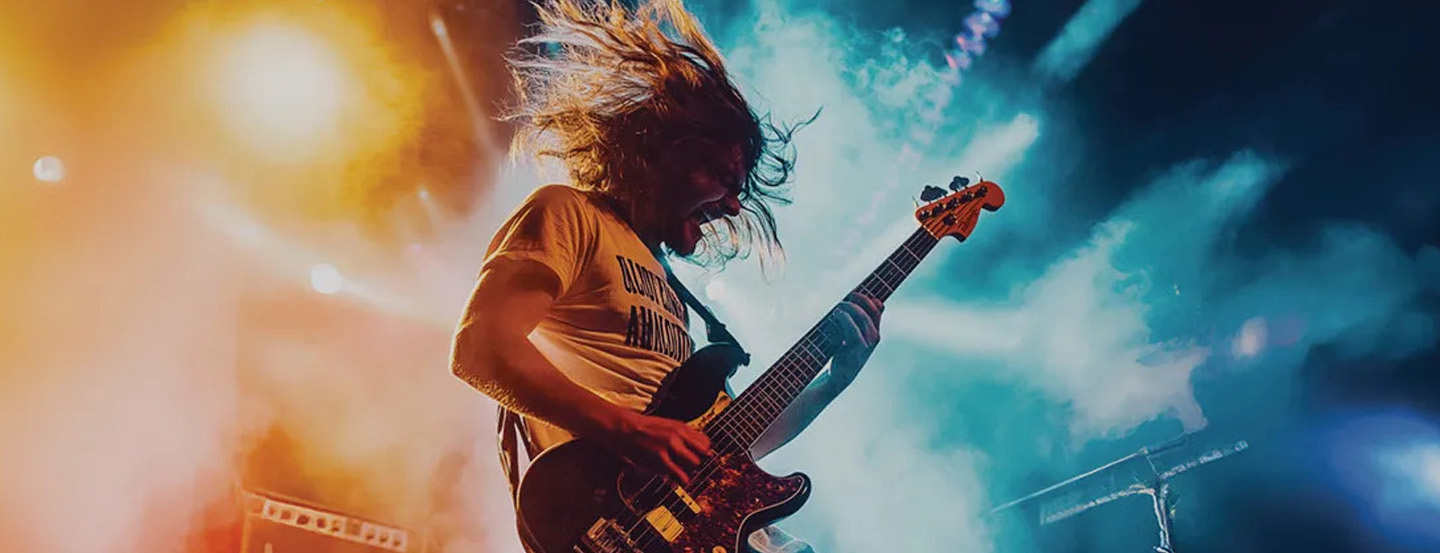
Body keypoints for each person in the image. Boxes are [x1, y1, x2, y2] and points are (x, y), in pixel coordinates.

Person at [448, 1, 883, 551]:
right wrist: (629, 432)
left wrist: (833, 380)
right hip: (609, 521)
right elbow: (480, 347)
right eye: (723, 179)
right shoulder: (569, 213)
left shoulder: (675, 296)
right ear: (665, 153)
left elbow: (727, 450)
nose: (730, 207)